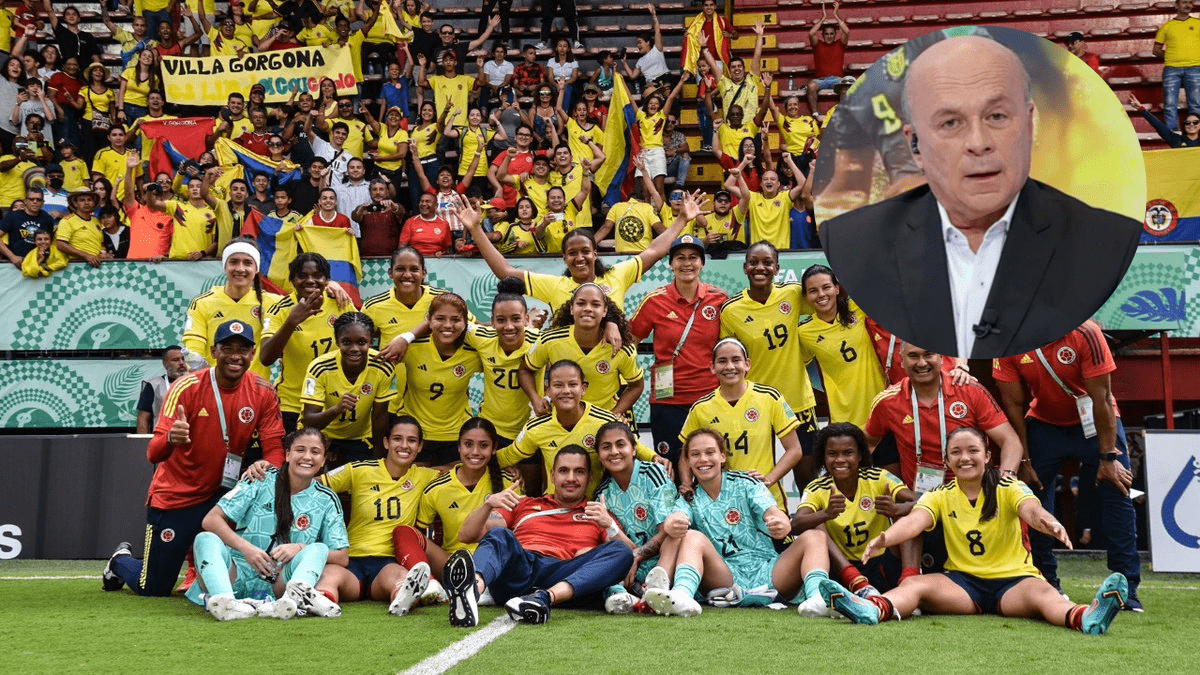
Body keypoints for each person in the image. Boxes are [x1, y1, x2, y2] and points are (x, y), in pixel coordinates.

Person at [820, 35, 1142, 359]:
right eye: (951, 123)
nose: (978, 142)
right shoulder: (852, 244)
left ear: (1030, 124)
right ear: (915, 144)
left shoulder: (1108, 241)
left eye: (996, 116)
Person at [818, 427, 1130, 635]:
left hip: (1014, 583)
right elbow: (916, 521)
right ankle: (871, 610)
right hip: (964, 586)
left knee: (1045, 594)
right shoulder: (940, 494)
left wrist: (1049, 523)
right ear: (947, 460)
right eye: (956, 452)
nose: (965, 458)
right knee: (915, 586)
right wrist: (885, 538)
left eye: (972, 451)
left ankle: (1087, 617)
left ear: (987, 456)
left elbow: (1031, 510)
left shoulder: (1008, 485)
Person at [102, 319, 286, 597]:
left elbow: (275, 450)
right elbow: (153, 453)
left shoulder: (263, 391)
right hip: (178, 495)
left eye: (243, 349)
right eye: (227, 348)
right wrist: (170, 438)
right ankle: (119, 561)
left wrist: (267, 464)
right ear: (213, 352)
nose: (235, 356)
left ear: (252, 353)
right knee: (153, 588)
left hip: (225, 497)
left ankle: (199, 571)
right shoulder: (185, 387)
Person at [993, 321, 1143, 611]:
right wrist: (1024, 460)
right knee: (1031, 497)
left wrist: (1108, 457)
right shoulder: (1009, 339)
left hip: (1095, 422)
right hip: (1045, 425)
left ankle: (1125, 587)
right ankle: (1045, 581)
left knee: (1117, 491)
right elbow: (1013, 405)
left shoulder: (1086, 332)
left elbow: (1102, 398)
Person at [444, 445, 634, 626]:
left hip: (562, 574)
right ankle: (471, 591)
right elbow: (466, 535)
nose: (571, 478)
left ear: (590, 477)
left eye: (579, 471)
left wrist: (609, 525)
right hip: (520, 569)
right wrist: (488, 505)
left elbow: (631, 555)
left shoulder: (598, 513)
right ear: (552, 475)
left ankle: (543, 598)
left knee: (621, 551)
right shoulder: (524, 504)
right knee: (499, 534)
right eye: (563, 471)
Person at [186, 428, 349, 620]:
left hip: (279, 581)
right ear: (287, 454)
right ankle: (225, 601)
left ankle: (290, 602)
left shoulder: (327, 499)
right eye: (300, 450)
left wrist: (299, 548)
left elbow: (342, 556)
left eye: (315, 452)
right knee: (205, 538)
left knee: (319, 548)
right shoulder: (260, 478)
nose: (307, 457)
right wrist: (248, 550)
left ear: (323, 460)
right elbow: (211, 519)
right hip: (237, 570)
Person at [665, 429, 832, 613]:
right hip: (725, 578)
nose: (703, 459)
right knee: (691, 536)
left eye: (710, 452)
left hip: (769, 572)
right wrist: (672, 523)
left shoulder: (746, 483)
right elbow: (676, 517)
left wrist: (781, 523)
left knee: (815, 537)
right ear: (688, 462)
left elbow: (772, 513)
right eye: (695, 454)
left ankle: (818, 599)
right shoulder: (688, 497)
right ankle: (681, 596)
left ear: (722, 456)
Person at [463, 190, 699, 314]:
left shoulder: (617, 275)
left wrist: (681, 220)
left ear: (595, 253)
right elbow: (505, 271)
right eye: (572, 253)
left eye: (585, 251)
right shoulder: (554, 286)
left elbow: (654, 250)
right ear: (564, 258)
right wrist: (475, 229)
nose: (579, 258)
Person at [313, 415, 441, 616]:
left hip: (387, 563)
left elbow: (459, 472)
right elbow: (314, 484)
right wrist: (271, 472)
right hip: (352, 561)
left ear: (419, 447)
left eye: (411, 440)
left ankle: (402, 600)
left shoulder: (424, 476)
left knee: (401, 579)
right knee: (329, 576)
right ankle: (322, 602)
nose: (404, 445)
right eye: (397, 439)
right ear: (386, 442)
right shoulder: (359, 470)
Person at [719, 242, 819, 484]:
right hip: (757, 405)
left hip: (798, 401)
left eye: (767, 262)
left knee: (808, 477)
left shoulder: (793, 294)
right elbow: (729, 359)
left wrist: (807, 348)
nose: (760, 267)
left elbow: (826, 307)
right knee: (758, 476)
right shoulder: (731, 310)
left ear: (777, 268)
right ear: (745, 268)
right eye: (753, 262)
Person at [865, 342, 1022, 494]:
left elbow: (1010, 441)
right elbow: (868, 444)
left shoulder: (970, 391)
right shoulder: (887, 402)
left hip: (974, 493)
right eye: (913, 356)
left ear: (941, 358)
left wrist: (1006, 478)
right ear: (901, 361)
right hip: (921, 500)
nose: (922, 363)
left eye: (928, 355)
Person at [629, 236, 727, 463]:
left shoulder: (719, 299)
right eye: (680, 258)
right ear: (671, 264)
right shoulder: (654, 300)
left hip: (709, 398)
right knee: (670, 467)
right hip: (667, 402)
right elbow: (629, 343)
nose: (687, 263)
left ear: (702, 264)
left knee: (710, 465)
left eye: (693, 258)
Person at [499, 359, 660, 496]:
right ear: (548, 390)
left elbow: (633, 446)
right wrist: (505, 469)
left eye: (573, 384)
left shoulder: (604, 421)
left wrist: (654, 458)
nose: (566, 391)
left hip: (594, 507)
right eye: (558, 385)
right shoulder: (536, 427)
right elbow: (508, 456)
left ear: (583, 389)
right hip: (554, 507)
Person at [792, 423, 918, 596]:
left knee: (909, 515)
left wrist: (897, 509)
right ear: (823, 457)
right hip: (842, 567)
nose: (840, 459)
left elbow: (923, 502)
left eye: (848, 453)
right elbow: (796, 524)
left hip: (882, 561)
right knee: (815, 524)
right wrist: (826, 514)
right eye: (832, 454)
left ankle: (909, 582)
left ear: (859, 455)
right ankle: (856, 581)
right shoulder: (817, 488)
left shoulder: (878, 477)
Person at [679, 338, 805, 510]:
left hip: (765, 499)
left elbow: (795, 450)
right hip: (719, 502)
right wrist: (687, 484)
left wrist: (769, 479)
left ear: (747, 364)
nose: (729, 366)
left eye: (736, 360)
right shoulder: (701, 408)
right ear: (712, 367)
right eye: (722, 361)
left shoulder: (769, 397)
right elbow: (685, 455)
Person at [396, 417, 517, 587]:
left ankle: (479, 583)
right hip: (453, 563)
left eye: (483, 445)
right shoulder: (437, 488)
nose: (475, 452)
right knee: (405, 532)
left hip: (495, 563)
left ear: (494, 448)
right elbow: (422, 534)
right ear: (459, 447)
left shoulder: (509, 483)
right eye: (468, 444)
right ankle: (430, 585)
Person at [594, 421, 685, 613]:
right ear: (599, 456)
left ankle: (658, 590)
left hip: (664, 560)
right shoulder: (602, 493)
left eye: (620, 444)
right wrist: (631, 558)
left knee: (674, 532)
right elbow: (612, 542)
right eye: (606, 447)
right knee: (602, 550)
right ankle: (622, 595)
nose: (614, 452)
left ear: (634, 449)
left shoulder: (653, 473)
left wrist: (637, 556)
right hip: (630, 566)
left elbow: (666, 532)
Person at [521, 283, 644, 421]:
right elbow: (525, 370)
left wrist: (613, 416)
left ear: (605, 311)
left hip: (602, 423)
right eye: (581, 303)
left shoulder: (620, 347)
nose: (587, 309)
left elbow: (636, 386)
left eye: (595, 305)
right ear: (572, 309)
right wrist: (535, 399)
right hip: (561, 421)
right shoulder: (549, 341)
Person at [259, 253, 343, 433]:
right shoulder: (280, 310)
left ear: (326, 280)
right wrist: (291, 322)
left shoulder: (339, 303)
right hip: (292, 405)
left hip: (332, 404)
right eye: (302, 276)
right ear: (293, 280)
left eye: (317, 276)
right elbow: (265, 357)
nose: (310, 281)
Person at [301, 312, 398, 467]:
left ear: (371, 342)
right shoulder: (319, 367)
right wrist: (337, 409)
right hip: (322, 437)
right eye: (346, 342)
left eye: (361, 342)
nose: (354, 349)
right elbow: (309, 422)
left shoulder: (383, 366)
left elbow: (379, 417)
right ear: (337, 342)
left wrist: (378, 458)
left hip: (360, 439)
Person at [396, 292, 482, 466]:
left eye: (456, 320)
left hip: (456, 434)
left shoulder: (474, 353)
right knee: (415, 481)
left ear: (466, 323)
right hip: (414, 432)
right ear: (429, 320)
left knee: (453, 481)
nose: (448, 325)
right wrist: (404, 338)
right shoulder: (411, 348)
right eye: (440, 318)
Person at [795, 265, 886, 429]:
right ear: (806, 297)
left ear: (837, 288)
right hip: (843, 418)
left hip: (880, 408)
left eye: (826, 287)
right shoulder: (804, 332)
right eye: (813, 291)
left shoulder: (858, 308)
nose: (821, 294)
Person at [182, 239, 285, 379]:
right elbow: (192, 352)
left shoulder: (273, 303)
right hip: (216, 387)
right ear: (225, 266)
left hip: (256, 389)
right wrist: (211, 382)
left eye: (247, 263)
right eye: (234, 262)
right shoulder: (203, 303)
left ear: (256, 268)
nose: (240, 269)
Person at [465, 279, 541, 446]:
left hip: (528, 430)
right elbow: (451, 318)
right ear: (492, 321)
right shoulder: (482, 338)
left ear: (526, 319)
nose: (509, 326)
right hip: (490, 429)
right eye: (501, 320)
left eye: (516, 319)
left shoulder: (540, 342)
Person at [364, 247, 477, 355]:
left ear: (424, 273)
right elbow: (359, 339)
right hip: (391, 369)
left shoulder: (443, 300)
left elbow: (473, 327)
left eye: (414, 269)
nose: (407, 275)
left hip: (435, 369)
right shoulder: (374, 306)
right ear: (390, 273)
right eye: (400, 269)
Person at [730, 154, 805, 250]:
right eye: (765, 179)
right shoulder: (753, 198)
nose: (769, 181)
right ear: (761, 184)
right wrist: (741, 169)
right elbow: (729, 185)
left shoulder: (785, 197)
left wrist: (790, 161)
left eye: (773, 179)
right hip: (758, 252)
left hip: (781, 252)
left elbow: (802, 183)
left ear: (778, 184)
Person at [1154, 0, 1200, 133]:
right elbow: (1156, 50)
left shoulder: (1198, 23)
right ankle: (1172, 133)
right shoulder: (1167, 26)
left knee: (1196, 103)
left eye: (1190, 2)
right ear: (1176, 5)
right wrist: (1171, 57)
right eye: (1184, 2)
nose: (1188, 5)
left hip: (1195, 67)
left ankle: (1195, 134)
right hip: (1172, 69)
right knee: (1169, 104)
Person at [805, 1, 849, 118]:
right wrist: (823, 18)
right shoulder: (818, 45)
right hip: (821, 80)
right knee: (811, 86)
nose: (829, 36)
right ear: (823, 35)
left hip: (837, 79)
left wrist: (836, 15)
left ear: (835, 35)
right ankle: (815, 114)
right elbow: (811, 33)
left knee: (846, 87)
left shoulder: (840, 44)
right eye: (827, 34)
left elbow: (846, 31)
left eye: (831, 34)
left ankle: (842, 114)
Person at [136, 346, 190, 434]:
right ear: (165, 364)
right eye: (175, 360)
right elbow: (143, 418)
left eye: (183, 359)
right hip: (163, 438)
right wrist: (143, 441)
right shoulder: (154, 385)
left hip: (191, 437)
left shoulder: (196, 382)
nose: (181, 363)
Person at [0, 187, 55, 264]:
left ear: (43, 202)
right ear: (25, 201)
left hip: (39, 262)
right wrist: (12, 257)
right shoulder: (13, 216)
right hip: (16, 263)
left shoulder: (47, 219)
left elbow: (52, 242)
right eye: (31, 199)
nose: (35, 202)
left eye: (38, 200)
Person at [55, 187, 106, 267]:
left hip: (96, 265)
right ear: (75, 204)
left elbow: (100, 244)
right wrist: (86, 256)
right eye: (82, 200)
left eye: (89, 200)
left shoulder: (96, 221)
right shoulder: (67, 221)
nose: (86, 203)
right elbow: (60, 245)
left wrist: (104, 254)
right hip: (77, 267)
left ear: (93, 203)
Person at [1130, 92, 1200, 148]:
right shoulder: (1176, 139)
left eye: (1195, 122)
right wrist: (1142, 109)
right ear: (1184, 126)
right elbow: (1158, 126)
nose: (1191, 124)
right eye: (1187, 123)